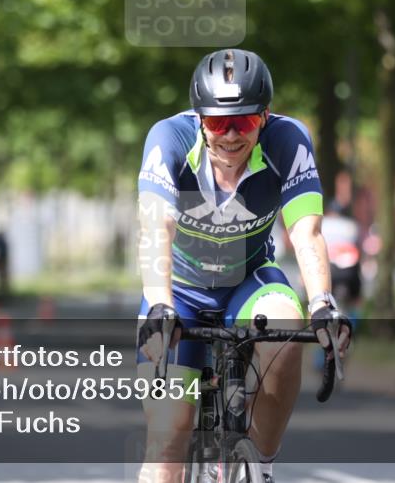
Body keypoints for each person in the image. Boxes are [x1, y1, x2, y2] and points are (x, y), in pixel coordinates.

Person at [136, 49, 352, 483]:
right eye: (218, 122)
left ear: (265, 117)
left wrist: (324, 304)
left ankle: (263, 465)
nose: (230, 135)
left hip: (249, 281)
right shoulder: (168, 139)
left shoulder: (288, 140)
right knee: (168, 440)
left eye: (245, 122)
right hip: (179, 289)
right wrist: (160, 306)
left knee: (288, 327)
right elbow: (156, 228)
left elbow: (306, 231)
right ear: (199, 119)